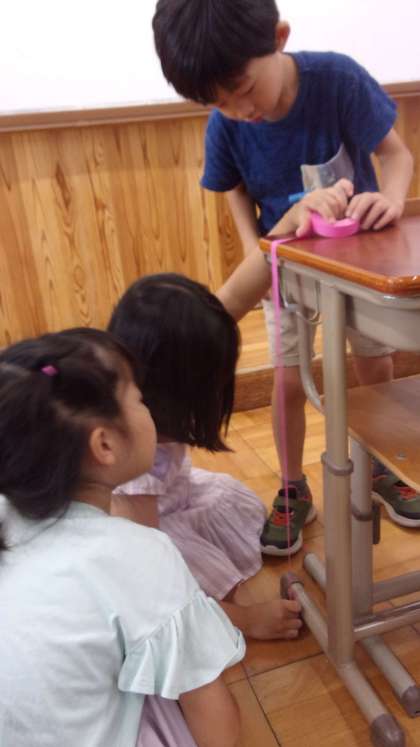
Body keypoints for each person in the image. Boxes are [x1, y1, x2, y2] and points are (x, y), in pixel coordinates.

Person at [151, 0, 415, 554]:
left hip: (362, 266)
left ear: (278, 38)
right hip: (285, 270)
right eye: (217, 102)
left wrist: (391, 199)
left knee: (375, 365)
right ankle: (293, 486)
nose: (238, 110)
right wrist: (260, 251)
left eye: (242, 89)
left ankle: (379, 468)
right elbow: (234, 193)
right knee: (288, 381)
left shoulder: (337, 80)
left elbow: (396, 155)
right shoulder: (226, 124)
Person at [0, 328, 244, 747]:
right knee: (169, 690)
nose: (150, 409)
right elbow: (216, 724)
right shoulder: (141, 555)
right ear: (105, 444)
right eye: (140, 399)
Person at [109, 273, 302, 640]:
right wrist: (247, 620)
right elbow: (149, 575)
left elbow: (234, 298)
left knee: (230, 506)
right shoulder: (136, 466)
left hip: (171, 499)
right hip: (141, 529)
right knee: (188, 580)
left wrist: (274, 251)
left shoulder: (139, 388)